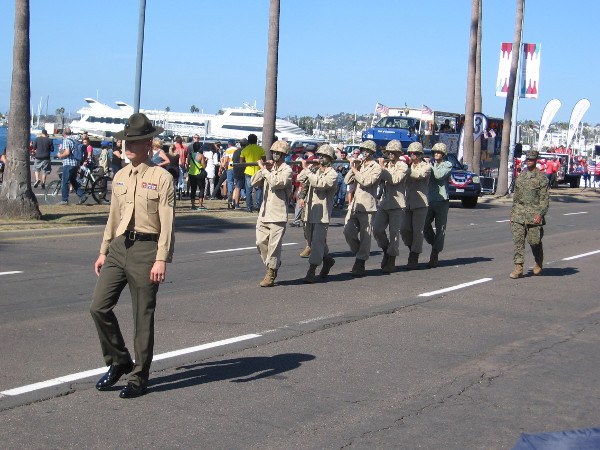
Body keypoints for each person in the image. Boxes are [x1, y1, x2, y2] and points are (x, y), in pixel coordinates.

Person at [90, 113, 175, 399]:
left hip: (146, 250)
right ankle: (119, 360)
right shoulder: (120, 175)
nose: (127, 145)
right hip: (118, 248)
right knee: (99, 307)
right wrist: (103, 251)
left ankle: (140, 376)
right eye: (126, 140)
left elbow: (167, 221)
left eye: (135, 141)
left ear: (148, 144)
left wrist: (161, 257)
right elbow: (113, 217)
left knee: (142, 316)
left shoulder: (161, 177)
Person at [252, 140, 293, 287]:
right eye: (274, 152)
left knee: (274, 247)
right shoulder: (268, 169)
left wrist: (264, 170)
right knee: (260, 242)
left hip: (278, 214)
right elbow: (253, 182)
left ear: (284, 155)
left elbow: (277, 183)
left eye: (278, 153)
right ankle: (273, 263)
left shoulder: (287, 170)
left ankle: (271, 271)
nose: (275, 155)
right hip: (264, 213)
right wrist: (262, 169)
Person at [296, 144, 338, 283]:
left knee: (317, 242)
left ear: (330, 158)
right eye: (319, 155)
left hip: (322, 213)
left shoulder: (332, 174)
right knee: (312, 241)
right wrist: (307, 168)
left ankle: (311, 270)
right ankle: (327, 260)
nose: (320, 158)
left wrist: (308, 172)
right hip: (310, 211)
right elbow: (300, 178)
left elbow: (320, 184)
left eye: (324, 156)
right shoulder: (313, 170)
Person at [343, 140, 382, 276]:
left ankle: (360, 261)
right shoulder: (359, 166)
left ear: (372, 152)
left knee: (366, 236)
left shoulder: (376, 167)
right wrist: (353, 167)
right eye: (362, 150)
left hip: (367, 206)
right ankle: (360, 252)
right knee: (348, 231)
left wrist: (355, 169)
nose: (364, 153)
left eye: (367, 150)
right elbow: (347, 181)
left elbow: (366, 181)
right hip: (355, 204)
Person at [509, 150, 549, 279]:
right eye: (528, 159)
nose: (529, 161)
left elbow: (544, 199)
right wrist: (512, 216)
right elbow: (516, 199)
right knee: (518, 242)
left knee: (534, 241)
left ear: (536, 160)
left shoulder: (541, 178)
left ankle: (538, 259)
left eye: (531, 159)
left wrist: (540, 214)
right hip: (519, 215)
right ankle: (518, 268)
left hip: (534, 214)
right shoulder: (521, 177)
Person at [373, 140, 409, 273]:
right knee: (377, 229)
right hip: (384, 202)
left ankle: (392, 259)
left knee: (394, 233)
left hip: (397, 204)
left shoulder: (403, 166)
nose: (391, 154)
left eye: (394, 152)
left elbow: (394, 180)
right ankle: (386, 250)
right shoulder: (386, 164)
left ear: (399, 153)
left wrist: (382, 168)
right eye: (389, 152)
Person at [400, 142, 432, 270]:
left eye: (415, 153)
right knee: (404, 229)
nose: (413, 155)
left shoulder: (426, 167)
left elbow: (419, 175)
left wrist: (405, 168)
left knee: (418, 231)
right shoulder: (407, 166)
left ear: (420, 154)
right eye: (411, 153)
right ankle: (411, 248)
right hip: (408, 202)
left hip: (420, 203)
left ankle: (414, 255)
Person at [423, 142, 453, 268]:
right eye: (435, 152)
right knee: (424, 226)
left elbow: (439, 175)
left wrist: (429, 165)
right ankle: (435, 244)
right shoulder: (431, 164)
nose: (436, 154)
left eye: (439, 152)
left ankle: (435, 253)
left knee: (440, 228)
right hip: (430, 199)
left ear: (443, 154)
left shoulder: (447, 165)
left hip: (442, 201)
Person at [56, 128, 87, 205]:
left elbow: (67, 152)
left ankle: (64, 199)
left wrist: (60, 156)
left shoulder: (66, 140)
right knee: (73, 180)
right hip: (76, 163)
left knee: (65, 181)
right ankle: (82, 195)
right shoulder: (75, 139)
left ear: (64, 134)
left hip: (68, 163)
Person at [241, 133, 266, 212]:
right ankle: (258, 205)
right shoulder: (260, 149)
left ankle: (249, 207)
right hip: (258, 171)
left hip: (248, 171)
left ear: (248, 141)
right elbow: (264, 160)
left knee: (248, 190)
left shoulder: (245, 149)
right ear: (256, 141)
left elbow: (241, 161)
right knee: (258, 189)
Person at [188, 141, 207, 210]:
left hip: (191, 173)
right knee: (201, 188)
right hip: (198, 173)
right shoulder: (201, 156)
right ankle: (200, 205)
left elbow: (188, 163)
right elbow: (204, 166)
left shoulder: (190, 154)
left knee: (193, 189)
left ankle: (193, 205)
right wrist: (205, 160)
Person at [231, 138, 247, 209]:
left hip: (235, 170)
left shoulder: (236, 151)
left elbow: (233, 159)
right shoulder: (245, 151)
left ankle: (233, 201)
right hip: (241, 171)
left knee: (236, 187)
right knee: (238, 188)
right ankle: (236, 204)